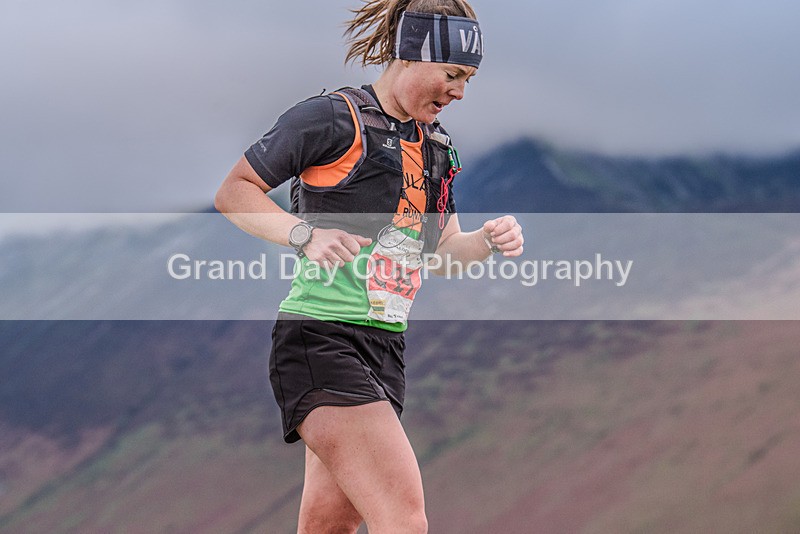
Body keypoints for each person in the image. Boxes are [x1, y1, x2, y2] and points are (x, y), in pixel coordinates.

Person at [215, 0, 523, 531]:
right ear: (409, 55)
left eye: (468, 79)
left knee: (328, 528)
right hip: (321, 340)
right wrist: (301, 232)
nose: (460, 92)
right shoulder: (332, 117)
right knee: (404, 521)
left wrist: (487, 242)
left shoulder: (437, 149)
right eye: (452, 74)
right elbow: (234, 191)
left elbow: (442, 256)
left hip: (385, 349)